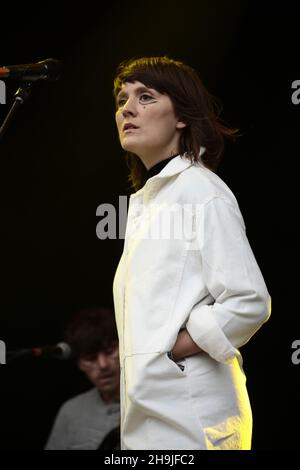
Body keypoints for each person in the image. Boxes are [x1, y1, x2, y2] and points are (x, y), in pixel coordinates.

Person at [112, 56, 272, 450]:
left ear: (182, 115)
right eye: (121, 100)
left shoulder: (202, 190)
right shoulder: (147, 202)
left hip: (194, 420)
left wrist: (174, 347)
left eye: (145, 97)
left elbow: (250, 301)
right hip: (147, 418)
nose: (127, 109)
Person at [45, 307, 120, 450]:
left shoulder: (151, 400)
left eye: (110, 351)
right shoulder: (71, 411)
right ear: (79, 364)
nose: (103, 364)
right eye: (90, 358)